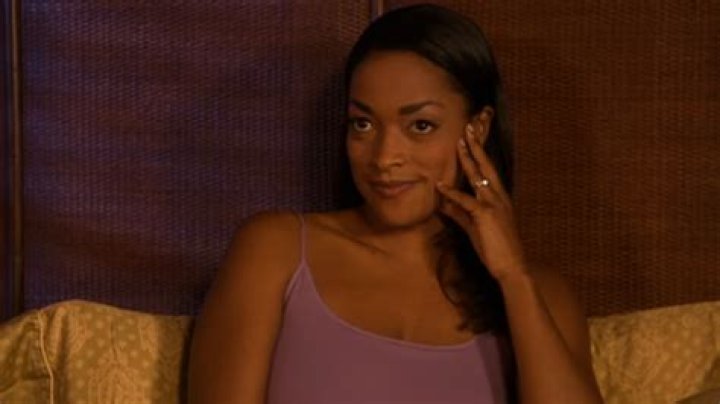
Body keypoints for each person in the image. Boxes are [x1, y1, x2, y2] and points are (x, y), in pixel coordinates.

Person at [187, 4, 603, 404]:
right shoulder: (274, 251)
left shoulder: (540, 297)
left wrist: (512, 277)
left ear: (477, 129)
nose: (384, 157)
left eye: (420, 125)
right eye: (363, 124)